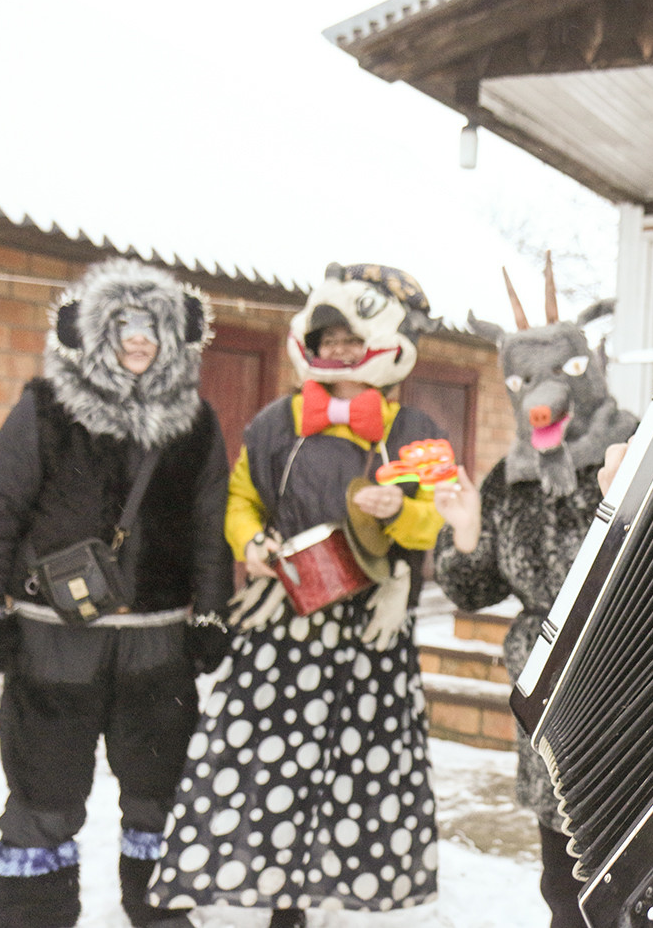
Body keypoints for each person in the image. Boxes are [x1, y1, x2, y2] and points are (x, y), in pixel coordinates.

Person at [145, 263, 447, 928]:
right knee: (268, 762)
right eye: (327, 340)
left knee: (357, 767)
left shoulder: (416, 428)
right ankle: (280, 898)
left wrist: (401, 511)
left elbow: (436, 519)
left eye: (350, 340)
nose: (337, 351)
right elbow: (242, 500)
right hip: (287, 620)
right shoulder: (274, 423)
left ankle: (332, 887)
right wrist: (251, 543)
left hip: (370, 627)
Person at [0, 258, 234, 928]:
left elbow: (210, 528)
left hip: (156, 642)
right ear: (95, 333)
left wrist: (212, 612)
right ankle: (33, 916)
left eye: (153, 327)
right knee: (45, 788)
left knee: (159, 788)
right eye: (124, 325)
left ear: (175, 337)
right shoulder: (44, 408)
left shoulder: (197, 423)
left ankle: (160, 910)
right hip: (54, 639)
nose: (139, 339)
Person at [432, 269, 638, 928]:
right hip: (549, 699)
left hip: (637, 683)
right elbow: (474, 588)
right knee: (564, 881)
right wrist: (466, 531)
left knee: (643, 869)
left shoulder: (638, 445)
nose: (541, 397)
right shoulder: (511, 475)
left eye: (562, 371)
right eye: (522, 382)